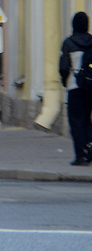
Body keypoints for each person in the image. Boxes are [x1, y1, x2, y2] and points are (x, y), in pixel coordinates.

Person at [60, 11, 92, 165]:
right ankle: (90, 150)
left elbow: (64, 67)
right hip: (90, 86)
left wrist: (63, 81)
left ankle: (80, 156)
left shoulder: (68, 43)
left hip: (74, 86)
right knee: (87, 120)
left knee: (76, 121)